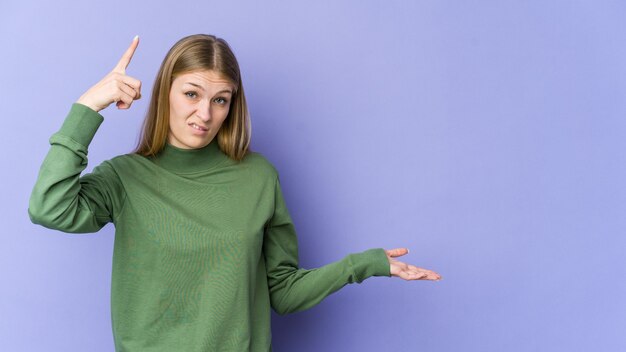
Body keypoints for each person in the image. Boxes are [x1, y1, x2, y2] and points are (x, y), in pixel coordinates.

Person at [28, 34, 441, 352]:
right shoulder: (125, 178)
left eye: (220, 100)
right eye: (191, 93)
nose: (204, 114)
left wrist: (362, 265)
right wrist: (87, 107)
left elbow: (281, 290)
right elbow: (49, 207)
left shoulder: (258, 177)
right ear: (165, 93)